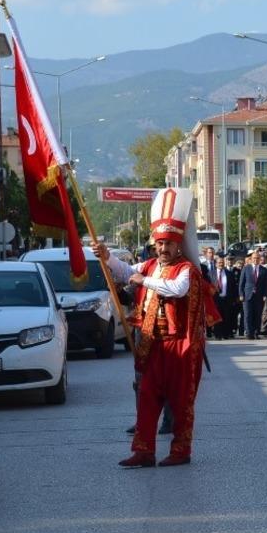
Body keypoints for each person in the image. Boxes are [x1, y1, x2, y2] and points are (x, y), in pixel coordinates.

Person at [94, 187, 220, 468]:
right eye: (159, 244)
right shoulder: (150, 265)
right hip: (153, 344)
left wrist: (143, 281)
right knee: (147, 397)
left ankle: (180, 451)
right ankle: (144, 450)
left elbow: (176, 289)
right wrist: (106, 257)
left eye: (168, 244)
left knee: (180, 402)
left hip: (180, 345)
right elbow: (127, 272)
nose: (163, 249)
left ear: (178, 245)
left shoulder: (187, 269)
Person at [238, 249, 267, 340]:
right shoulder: (246, 268)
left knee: (257, 314)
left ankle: (256, 332)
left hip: (259, 296)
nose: (255, 260)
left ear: (260, 259)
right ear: (251, 259)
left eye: (257, 258)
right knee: (248, 314)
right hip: (247, 295)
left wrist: (265, 295)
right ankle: (249, 333)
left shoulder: (264, 270)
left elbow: (266, 285)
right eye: (254, 258)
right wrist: (241, 294)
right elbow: (242, 282)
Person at [210, 255, 237, 339]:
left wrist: (233, 298)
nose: (221, 264)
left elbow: (233, 287)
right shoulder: (211, 273)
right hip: (216, 299)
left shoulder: (229, 274)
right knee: (217, 317)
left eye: (222, 262)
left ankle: (225, 334)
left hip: (226, 299)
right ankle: (218, 334)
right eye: (219, 263)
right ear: (215, 264)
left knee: (226, 316)